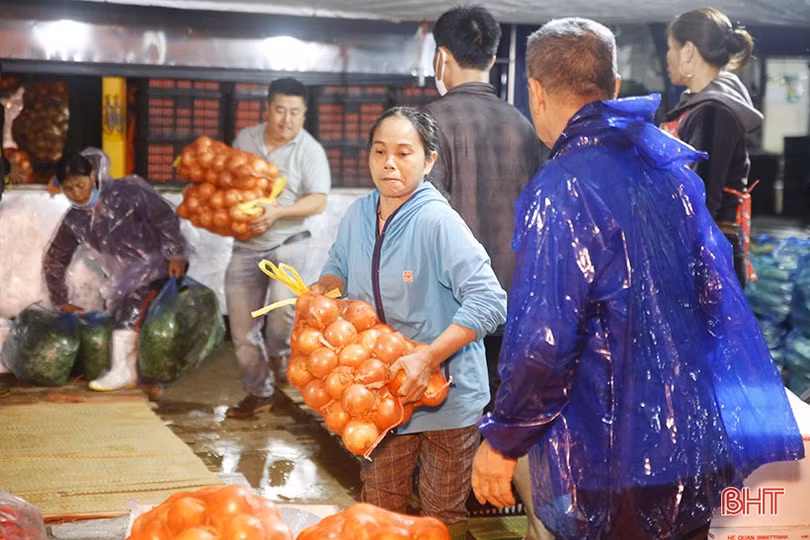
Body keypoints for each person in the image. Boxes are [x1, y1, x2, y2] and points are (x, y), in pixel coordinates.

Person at [471, 18, 804, 540]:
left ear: (534, 91)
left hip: (607, 454)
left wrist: (503, 440)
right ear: (616, 87)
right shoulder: (672, 173)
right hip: (688, 442)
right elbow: (715, 302)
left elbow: (545, 342)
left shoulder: (561, 188)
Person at [310, 107, 506, 539]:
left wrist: (429, 356)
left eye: (404, 153)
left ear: (429, 161)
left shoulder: (438, 222)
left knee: (440, 517)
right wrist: (323, 291)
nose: (389, 164)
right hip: (382, 396)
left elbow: (491, 300)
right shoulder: (359, 215)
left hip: (447, 397)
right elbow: (338, 267)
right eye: (379, 152)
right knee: (379, 509)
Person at [225, 77, 331, 419]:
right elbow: (230, 183)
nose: (287, 119)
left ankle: (280, 358)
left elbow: (317, 201)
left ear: (305, 114)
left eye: (295, 112)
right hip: (245, 246)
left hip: (289, 243)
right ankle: (260, 392)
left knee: (281, 315)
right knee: (241, 331)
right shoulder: (245, 139)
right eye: (281, 110)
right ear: (267, 109)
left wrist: (277, 213)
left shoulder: (310, 150)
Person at [44, 148, 187, 391]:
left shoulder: (127, 193)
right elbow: (56, 257)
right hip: (124, 276)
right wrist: (60, 299)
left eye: (80, 184)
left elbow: (165, 217)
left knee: (133, 306)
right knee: (122, 310)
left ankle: (123, 371)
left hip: (158, 265)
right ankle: (133, 371)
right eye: (69, 189)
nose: (77, 194)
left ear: (92, 176)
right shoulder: (75, 219)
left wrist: (175, 254)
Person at [661, 8, 761, 288]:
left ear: (688, 51)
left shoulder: (714, 111)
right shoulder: (699, 106)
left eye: (670, 48)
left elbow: (702, 198)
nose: (668, 57)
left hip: (709, 262)